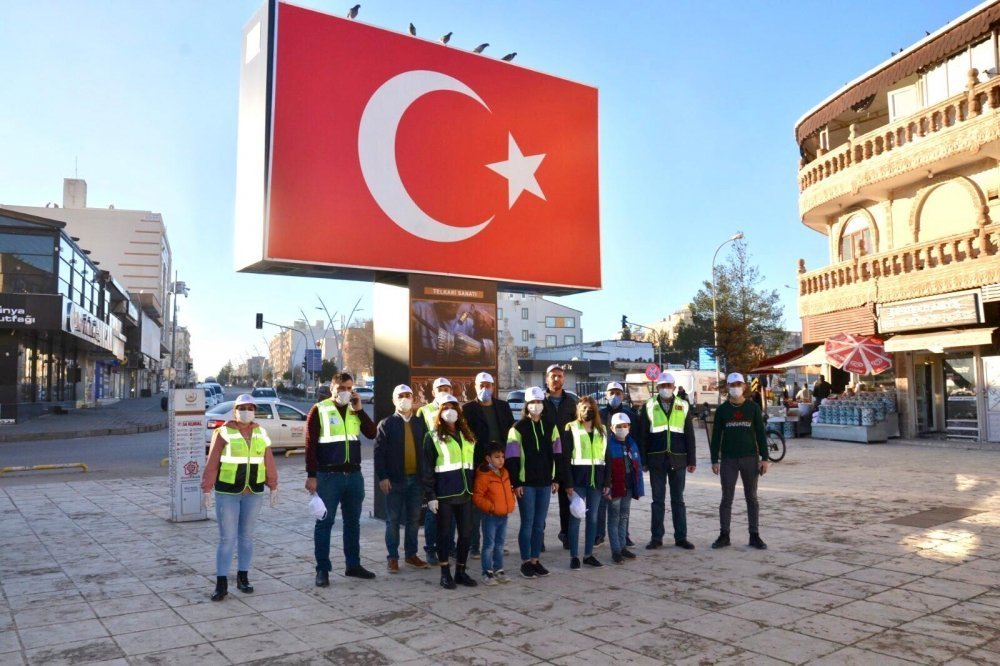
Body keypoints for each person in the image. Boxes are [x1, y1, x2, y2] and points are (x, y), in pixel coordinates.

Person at [201, 394, 278, 601]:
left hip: (253, 491)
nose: (247, 411)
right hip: (228, 492)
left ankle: (243, 578)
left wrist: (273, 485)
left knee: (246, 537)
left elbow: (268, 460)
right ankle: (221, 583)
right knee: (227, 539)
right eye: (242, 408)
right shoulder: (223, 431)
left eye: (250, 408)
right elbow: (213, 461)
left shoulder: (261, 432)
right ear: (235, 410)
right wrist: (207, 488)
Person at [306, 373, 378, 587]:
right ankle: (322, 570)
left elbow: (372, 433)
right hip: (328, 477)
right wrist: (311, 476)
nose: (345, 392)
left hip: (353, 476)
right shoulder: (319, 409)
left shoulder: (354, 410)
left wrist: (359, 409)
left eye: (349, 388)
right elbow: (310, 446)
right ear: (332, 388)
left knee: (352, 523)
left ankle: (353, 565)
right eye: (341, 388)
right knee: (324, 522)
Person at [423, 394, 478, 589]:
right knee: (444, 535)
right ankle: (445, 572)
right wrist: (430, 496)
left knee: (465, 534)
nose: (450, 411)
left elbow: (472, 463)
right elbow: (427, 468)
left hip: (465, 493)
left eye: (453, 406)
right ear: (439, 412)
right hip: (445, 494)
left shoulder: (467, 434)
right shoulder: (433, 436)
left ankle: (461, 571)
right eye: (445, 407)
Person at [505, 386, 561, 579]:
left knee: (539, 524)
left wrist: (556, 479)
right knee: (527, 523)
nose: (536, 406)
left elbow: (558, 453)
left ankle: (536, 560)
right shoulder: (517, 428)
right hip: (526, 483)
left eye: (539, 402)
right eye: (532, 402)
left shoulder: (550, 426)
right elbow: (511, 458)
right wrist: (516, 482)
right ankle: (525, 562)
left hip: (545, 483)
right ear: (526, 405)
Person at [709, 372, 769, 550]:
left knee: (752, 497)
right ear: (727, 387)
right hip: (729, 459)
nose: (735, 387)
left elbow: (760, 434)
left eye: (738, 384)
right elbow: (716, 436)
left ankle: (754, 534)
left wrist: (764, 458)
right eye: (732, 384)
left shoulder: (753, 408)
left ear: (744, 387)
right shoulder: (722, 410)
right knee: (727, 497)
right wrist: (714, 460)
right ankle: (724, 534)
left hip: (750, 458)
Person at [374, 384, 430, 574]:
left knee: (414, 520)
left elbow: (427, 451)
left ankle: (411, 555)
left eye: (408, 395)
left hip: (416, 480)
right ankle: (392, 558)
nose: (405, 398)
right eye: (401, 395)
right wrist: (383, 477)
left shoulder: (420, 423)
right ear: (394, 400)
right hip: (395, 481)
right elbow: (379, 454)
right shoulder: (386, 424)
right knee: (393, 520)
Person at [638, 372, 697, 551]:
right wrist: (643, 460)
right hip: (656, 459)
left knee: (678, 500)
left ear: (673, 387)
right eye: (662, 386)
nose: (665, 389)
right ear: (657, 388)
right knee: (658, 501)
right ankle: (656, 537)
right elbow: (643, 436)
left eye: (668, 386)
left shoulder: (683, 405)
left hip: (678, 459)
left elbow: (689, 435)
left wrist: (692, 459)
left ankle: (681, 537)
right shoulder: (649, 406)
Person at [462, 371, 514, 559]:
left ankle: (497, 543)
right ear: (475, 387)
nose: (485, 389)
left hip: (499, 463)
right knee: (478, 506)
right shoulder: (468, 409)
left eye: (488, 385)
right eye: (481, 385)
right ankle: (475, 546)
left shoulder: (502, 406)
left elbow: (510, 433)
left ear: (493, 387)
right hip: (479, 464)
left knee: (498, 504)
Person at [562, 395, 610, 569]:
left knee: (593, 518)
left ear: (595, 410)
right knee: (576, 516)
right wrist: (567, 483)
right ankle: (574, 556)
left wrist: (607, 482)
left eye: (589, 408)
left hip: (596, 481)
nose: (586, 411)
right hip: (577, 481)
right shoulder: (571, 428)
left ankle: (588, 554)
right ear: (578, 410)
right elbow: (565, 458)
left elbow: (607, 457)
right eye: (583, 408)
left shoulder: (602, 430)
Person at [417, 377, 457, 565]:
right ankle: (431, 549)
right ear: (433, 392)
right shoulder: (424, 411)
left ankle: (449, 546)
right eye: (440, 388)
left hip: (453, 469)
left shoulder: (456, 408)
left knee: (453, 512)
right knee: (433, 512)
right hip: (434, 468)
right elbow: (422, 441)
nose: (443, 391)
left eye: (447, 388)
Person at [596, 381, 638, 548]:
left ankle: (624, 535)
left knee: (623, 507)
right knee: (602, 503)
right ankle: (599, 534)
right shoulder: (600, 414)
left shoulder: (630, 414)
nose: (615, 396)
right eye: (611, 393)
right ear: (606, 395)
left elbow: (635, 439)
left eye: (618, 393)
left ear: (623, 395)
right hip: (603, 461)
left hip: (623, 462)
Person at [542, 364, 577, 550]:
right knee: (541, 501)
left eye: (560, 376)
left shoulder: (571, 402)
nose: (557, 379)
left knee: (566, 498)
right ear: (547, 379)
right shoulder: (540, 401)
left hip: (565, 457)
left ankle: (566, 534)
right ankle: (538, 537)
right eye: (553, 376)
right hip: (544, 458)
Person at [473, 441, 517, 585]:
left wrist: (510, 502)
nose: (501, 460)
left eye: (502, 457)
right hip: (490, 516)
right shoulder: (484, 475)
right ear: (488, 458)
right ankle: (487, 572)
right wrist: (491, 507)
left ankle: (498, 569)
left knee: (500, 544)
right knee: (489, 545)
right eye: (497, 457)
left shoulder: (505, 472)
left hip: (503, 515)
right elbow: (477, 496)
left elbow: (508, 490)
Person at [606, 412, 644, 564]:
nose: (622, 429)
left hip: (628, 486)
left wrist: (638, 488)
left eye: (625, 426)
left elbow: (638, 466)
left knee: (624, 517)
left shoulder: (632, 443)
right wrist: (607, 486)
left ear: (629, 427)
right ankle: (615, 550)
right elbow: (606, 469)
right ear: (612, 428)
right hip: (615, 488)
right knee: (614, 518)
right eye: (618, 426)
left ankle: (622, 546)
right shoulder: (608, 445)